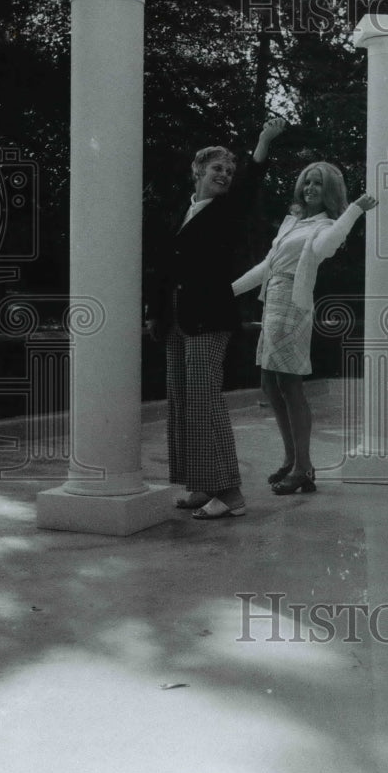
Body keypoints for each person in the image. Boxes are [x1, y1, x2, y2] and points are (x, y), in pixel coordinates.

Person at [145, 117, 287, 519]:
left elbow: (251, 182)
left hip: (210, 317)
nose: (224, 175)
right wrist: (156, 313)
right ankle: (202, 485)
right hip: (175, 317)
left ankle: (231, 494)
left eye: (228, 170)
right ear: (198, 173)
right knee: (182, 401)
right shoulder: (184, 212)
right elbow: (163, 267)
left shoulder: (227, 210)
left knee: (205, 402)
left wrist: (263, 140)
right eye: (216, 169)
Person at [232, 162, 378, 495]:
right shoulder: (294, 223)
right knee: (270, 384)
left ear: (329, 192)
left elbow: (326, 247)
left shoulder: (326, 224)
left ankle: (303, 466)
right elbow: (266, 267)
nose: (310, 188)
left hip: (292, 307)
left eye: (318, 184)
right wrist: (228, 291)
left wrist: (354, 210)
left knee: (289, 383)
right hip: (273, 302)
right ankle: (292, 459)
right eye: (307, 182)